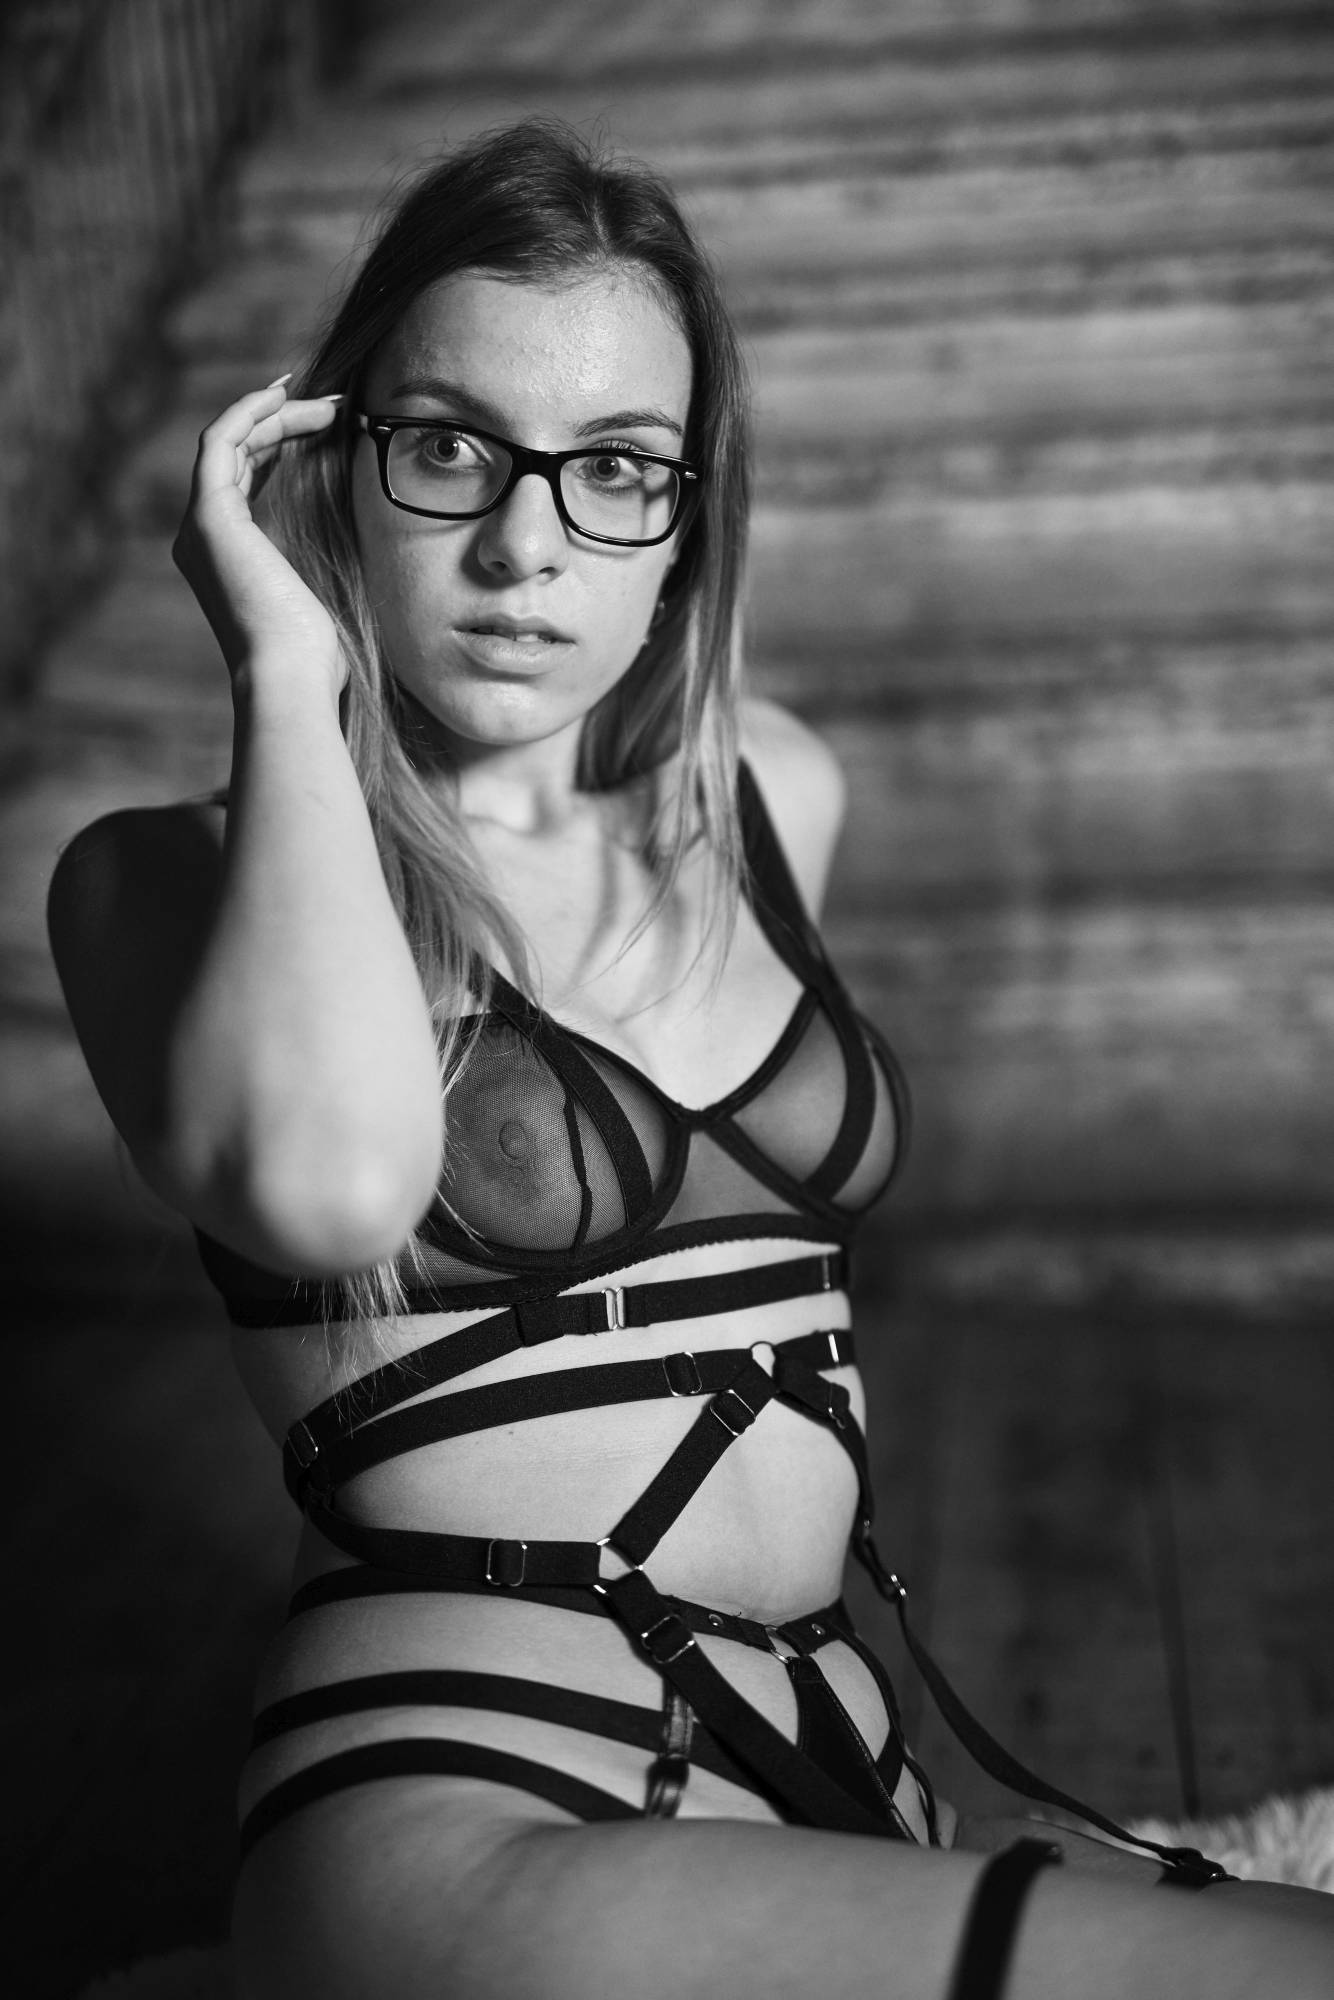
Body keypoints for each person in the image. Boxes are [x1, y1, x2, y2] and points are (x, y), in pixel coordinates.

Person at [48, 120, 1333, 2000]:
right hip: (470, 1775)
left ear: (684, 512)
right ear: (329, 460)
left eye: (613, 469)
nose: (524, 545)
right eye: (448, 447)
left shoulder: (768, 799)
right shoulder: (165, 881)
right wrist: (280, 670)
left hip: (839, 1761)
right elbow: (322, 1191)